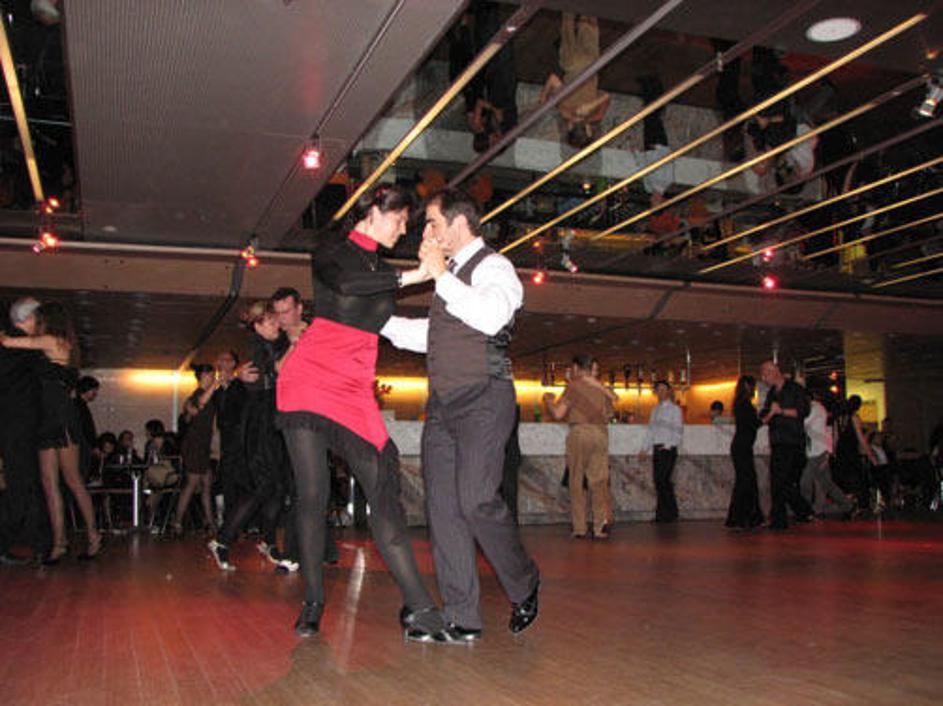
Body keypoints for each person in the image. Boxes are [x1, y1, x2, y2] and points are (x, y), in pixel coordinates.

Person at [276, 184, 449, 641]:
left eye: (408, 222)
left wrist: (450, 317)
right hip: (309, 377)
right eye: (400, 219)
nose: (404, 229)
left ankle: (420, 608)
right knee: (312, 493)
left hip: (354, 385)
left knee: (383, 495)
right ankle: (313, 601)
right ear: (375, 208)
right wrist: (415, 276)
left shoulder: (384, 269)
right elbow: (348, 285)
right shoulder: (331, 249)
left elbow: (386, 323)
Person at [382, 187, 541, 641]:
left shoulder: (494, 267)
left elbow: (490, 318)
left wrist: (438, 275)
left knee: (476, 500)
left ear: (458, 222)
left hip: (484, 399)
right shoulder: (449, 277)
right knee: (444, 510)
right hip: (443, 407)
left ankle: (524, 581)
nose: (425, 233)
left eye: (432, 223)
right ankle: (462, 615)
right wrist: (378, 324)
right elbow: (436, 334)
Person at [0, 301, 101, 562]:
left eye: (39, 318)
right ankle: (60, 543)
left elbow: (8, 342)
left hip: (59, 416)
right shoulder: (59, 344)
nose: (36, 322)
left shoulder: (51, 341)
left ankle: (91, 537)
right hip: (48, 417)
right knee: (52, 483)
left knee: (69, 481)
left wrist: (5, 333)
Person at [209, 300, 298, 573]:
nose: (276, 325)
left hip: (275, 422)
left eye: (275, 320)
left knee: (277, 487)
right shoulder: (258, 346)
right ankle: (222, 540)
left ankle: (268, 542)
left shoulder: (274, 344)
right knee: (263, 486)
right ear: (258, 326)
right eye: (270, 322)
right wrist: (295, 344)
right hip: (261, 425)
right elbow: (279, 370)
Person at [543, 355, 616, 539]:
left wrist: (548, 401)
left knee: (576, 481)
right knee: (599, 482)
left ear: (576, 368)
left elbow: (558, 414)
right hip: (601, 434)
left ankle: (580, 528)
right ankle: (599, 527)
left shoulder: (573, 386)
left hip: (580, 432)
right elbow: (609, 414)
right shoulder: (602, 389)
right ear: (591, 368)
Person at [0, 298, 49, 564]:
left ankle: (36, 543)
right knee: (22, 485)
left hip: (14, 425)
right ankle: (36, 544)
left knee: (22, 485)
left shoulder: (13, 345)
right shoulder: (23, 348)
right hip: (18, 426)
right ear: (28, 319)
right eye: (37, 318)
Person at [540, 13, 610, 148]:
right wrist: (590, 106)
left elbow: (553, 79)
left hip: (574, 64)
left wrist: (543, 97)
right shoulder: (595, 115)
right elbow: (606, 95)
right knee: (587, 21)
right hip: (591, 64)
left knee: (570, 22)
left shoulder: (565, 110)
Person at [759, 361, 813, 530]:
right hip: (778, 441)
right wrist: (768, 414)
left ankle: (791, 515)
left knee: (782, 481)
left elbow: (803, 411)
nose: (763, 378)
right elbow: (765, 414)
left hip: (793, 441)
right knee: (779, 481)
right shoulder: (772, 393)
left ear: (774, 371)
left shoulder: (795, 389)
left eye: (765, 374)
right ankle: (799, 513)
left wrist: (780, 411)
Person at [172, 364, 218, 534]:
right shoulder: (197, 395)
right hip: (194, 444)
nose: (212, 378)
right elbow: (198, 406)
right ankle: (177, 522)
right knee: (192, 483)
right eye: (210, 375)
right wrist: (216, 384)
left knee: (206, 484)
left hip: (203, 445)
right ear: (202, 376)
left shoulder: (210, 396)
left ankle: (210, 522)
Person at [799, 383, 855, 518]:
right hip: (818, 451)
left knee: (806, 481)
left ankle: (806, 511)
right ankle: (848, 506)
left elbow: (804, 424)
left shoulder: (815, 408)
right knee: (826, 483)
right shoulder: (815, 409)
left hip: (818, 452)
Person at [724, 376, 764, 530]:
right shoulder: (745, 404)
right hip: (743, 447)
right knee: (746, 481)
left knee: (746, 481)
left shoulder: (740, 403)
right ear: (748, 387)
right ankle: (743, 518)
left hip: (742, 446)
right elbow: (754, 424)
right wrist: (770, 415)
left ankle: (744, 518)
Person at [213, 350, 247, 528]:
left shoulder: (240, 386)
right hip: (226, 441)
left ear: (233, 364)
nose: (222, 363)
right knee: (228, 480)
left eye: (226, 360)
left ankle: (240, 521)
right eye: (220, 360)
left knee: (239, 480)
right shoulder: (218, 391)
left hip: (240, 440)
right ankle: (230, 521)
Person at [641, 380, 683, 523]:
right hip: (657, 448)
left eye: (664, 390)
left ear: (669, 391)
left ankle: (670, 513)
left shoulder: (675, 409)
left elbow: (678, 430)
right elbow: (651, 431)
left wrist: (669, 445)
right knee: (658, 481)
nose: (661, 393)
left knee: (663, 480)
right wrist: (644, 448)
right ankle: (663, 514)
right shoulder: (655, 410)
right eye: (658, 390)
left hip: (668, 449)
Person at [833, 395, 878, 514]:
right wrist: (871, 455)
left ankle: (848, 507)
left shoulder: (839, 418)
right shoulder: (854, 418)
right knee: (856, 480)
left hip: (841, 453)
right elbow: (861, 438)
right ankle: (856, 507)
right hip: (851, 452)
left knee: (846, 482)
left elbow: (835, 439)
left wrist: (834, 454)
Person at [74, 375, 100, 480]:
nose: (95, 393)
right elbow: (86, 428)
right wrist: (93, 445)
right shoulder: (80, 407)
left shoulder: (78, 405)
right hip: (82, 448)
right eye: (94, 390)